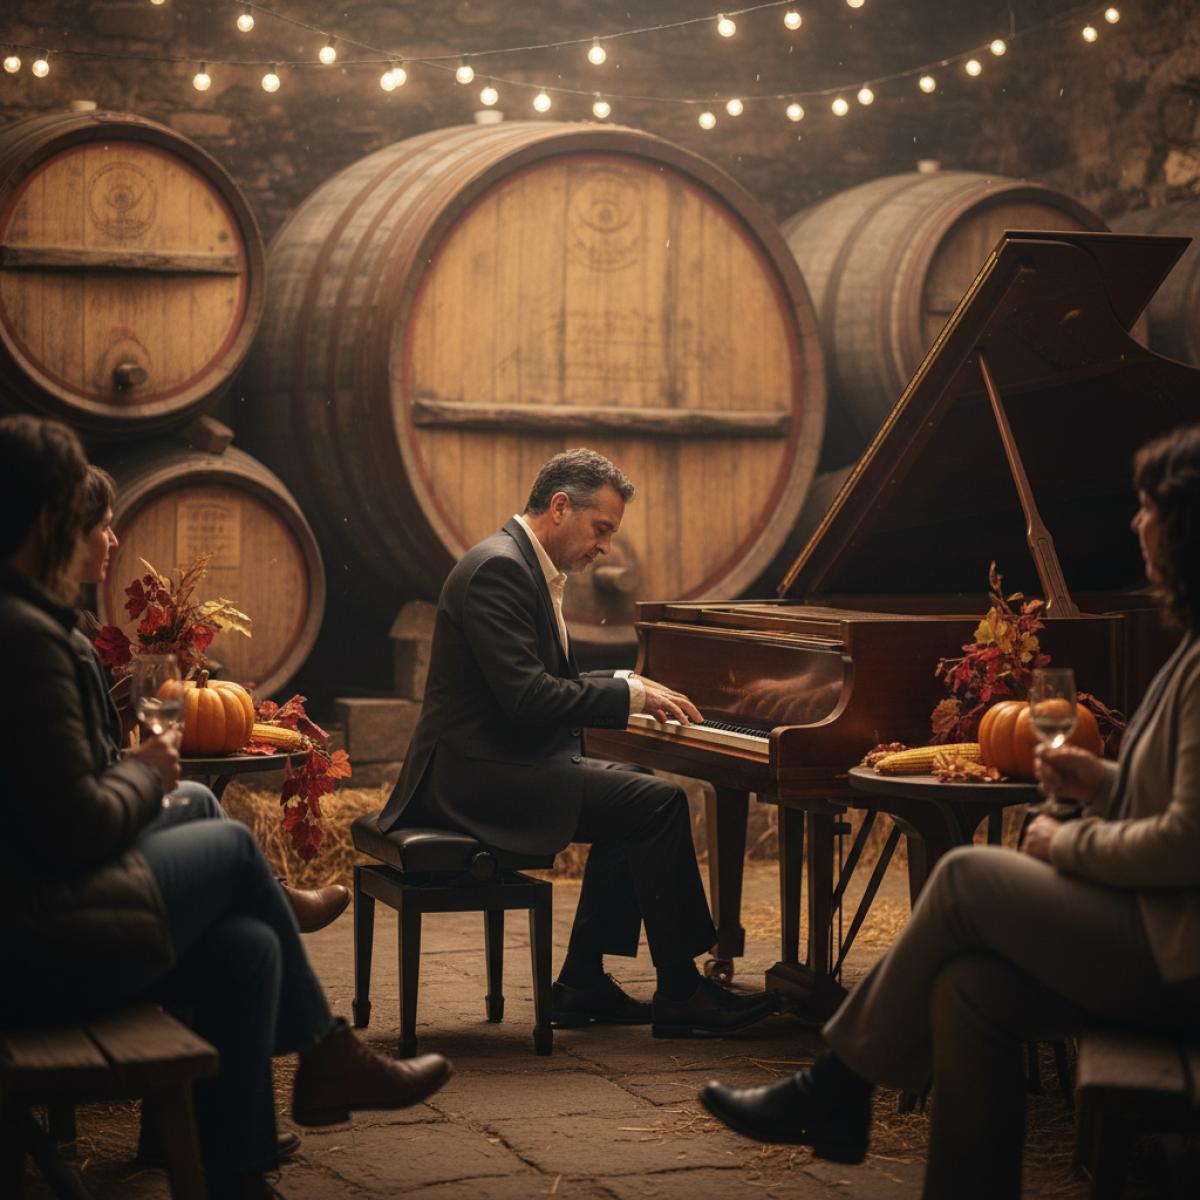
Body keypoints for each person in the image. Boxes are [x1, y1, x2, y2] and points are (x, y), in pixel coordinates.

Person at [700, 422, 1200, 1199]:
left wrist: (1062, 846)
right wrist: (1099, 779)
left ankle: (835, 1089)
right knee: (968, 990)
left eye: (1146, 510)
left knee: (967, 877)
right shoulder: (1192, 649)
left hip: (1180, 958)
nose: (1134, 525)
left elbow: (1185, 846)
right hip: (1161, 938)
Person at [0, 416, 452, 1200]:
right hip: (33, 939)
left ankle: (240, 1175)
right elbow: (73, 828)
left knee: (248, 945)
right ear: (45, 523)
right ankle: (324, 1053)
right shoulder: (24, 640)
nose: (103, 533)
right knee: (237, 851)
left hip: (37, 907)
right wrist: (144, 772)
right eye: (87, 514)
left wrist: (146, 780)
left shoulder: (31, 628)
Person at [377, 448, 776, 1038]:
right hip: (474, 780)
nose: (606, 548)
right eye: (602, 529)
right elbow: (529, 699)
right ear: (561, 507)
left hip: (493, 763)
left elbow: (541, 684)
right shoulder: (500, 569)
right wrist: (628, 699)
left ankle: (582, 981)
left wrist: (621, 680)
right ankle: (682, 991)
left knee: (637, 795)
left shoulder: (518, 563)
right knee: (658, 804)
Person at [71, 465, 349, 935]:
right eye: (104, 526)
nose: (116, 541)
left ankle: (267, 906)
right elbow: (78, 801)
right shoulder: (47, 641)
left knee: (199, 795)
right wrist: (140, 770)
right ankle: (270, 905)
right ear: (61, 532)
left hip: (98, 816)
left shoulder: (69, 625)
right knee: (234, 848)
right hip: (80, 858)